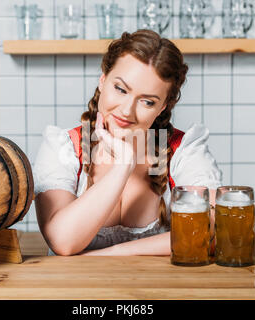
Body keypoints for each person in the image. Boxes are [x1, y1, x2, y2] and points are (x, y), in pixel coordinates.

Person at [33, 30, 222, 256]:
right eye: (120, 89)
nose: (126, 110)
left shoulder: (183, 150)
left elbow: (210, 230)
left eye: (147, 102)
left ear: (163, 107)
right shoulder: (64, 147)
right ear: (103, 80)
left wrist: (112, 254)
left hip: (159, 291)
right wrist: (123, 166)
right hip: (75, 291)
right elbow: (63, 241)